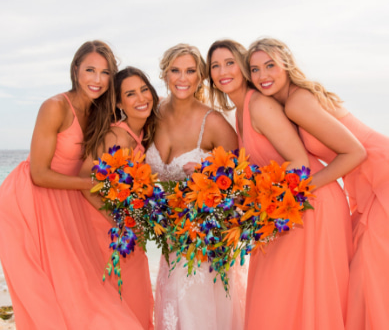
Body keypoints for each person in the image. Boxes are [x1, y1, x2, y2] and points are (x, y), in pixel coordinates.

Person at [206, 39, 356, 330]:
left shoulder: (259, 105)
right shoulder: (240, 111)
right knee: (276, 301)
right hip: (284, 209)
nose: (223, 70)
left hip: (312, 204)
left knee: (293, 301)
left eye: (229, 63)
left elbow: (299, 164)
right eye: (215, 65)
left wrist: (259, 200)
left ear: (243, 68)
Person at [0, 41, 145, 330]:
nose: (97, 79)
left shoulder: (103, 114)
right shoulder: (54, 107)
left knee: (82, 287)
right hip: (29, 202)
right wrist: (94, 185)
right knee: (51, 293)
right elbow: (38, 173)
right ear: (75, 69)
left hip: (66, 197)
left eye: (105, 73)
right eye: (90, 69)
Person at [247, 37, 386, 330]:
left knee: (369, 278)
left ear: (285, 64)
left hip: (381, 178)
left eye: (270, 65)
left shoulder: (297, 103)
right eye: (255, 69)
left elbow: (356, 152)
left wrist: (301, 189)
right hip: (366, 187)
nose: (263, 76)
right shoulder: (287, 103)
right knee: (366, 277)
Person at [146, 43, 246, 330]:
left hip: (205, 241)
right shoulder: (152, 115)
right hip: (170, 239)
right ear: (165, 73)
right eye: (175, 70)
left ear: (200, 76)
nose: (182, 78)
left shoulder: (212, 122)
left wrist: (207, 175)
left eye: (190, 71)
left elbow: (239, 180)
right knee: (171, 310)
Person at [79, 66, 158, 330]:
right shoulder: (116, 135)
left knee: (134, 297)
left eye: (144, 90)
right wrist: (118, 222)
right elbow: (84, 181)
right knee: (125, 300)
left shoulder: (140, 134)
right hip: (109, 232)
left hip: (126, 229)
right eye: (131, 94)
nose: (141, 98)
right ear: (119, 102)